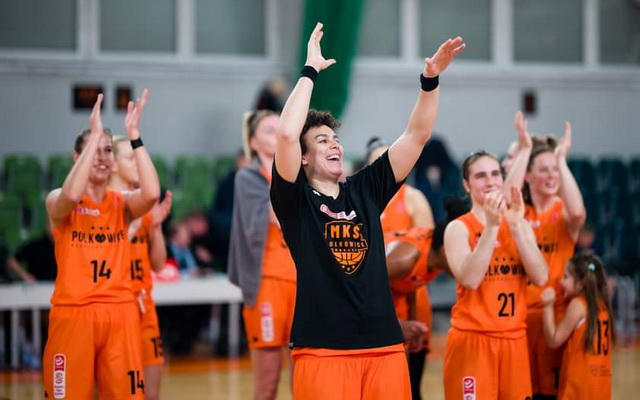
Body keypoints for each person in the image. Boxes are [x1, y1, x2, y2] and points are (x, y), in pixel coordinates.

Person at [270, 22, 464, 399]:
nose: (334, 145)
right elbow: (286, 134)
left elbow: (416, 136)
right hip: (323, 350)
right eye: (322, 140)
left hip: (384, 347)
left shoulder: (365, 190)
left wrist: (430, 81)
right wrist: (309, 71)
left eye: (336, 139)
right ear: (303, 158)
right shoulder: (294, 201)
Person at [42, 91, 160, 399]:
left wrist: (134, 136)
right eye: (94, 149)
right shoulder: (58, 200)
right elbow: (70, 195)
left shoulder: (121, 203)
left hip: (120, 312)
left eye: (108, 150)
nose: (103, 156)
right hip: (74, 314)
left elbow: (151, 194)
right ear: (77, 158)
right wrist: (95, 135)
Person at [442, 150, 548, 400]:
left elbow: (541, 277)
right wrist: (491, 228)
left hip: (514, 340)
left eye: (495, 174)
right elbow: (470, 279)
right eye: (480, 176)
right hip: (474, 340)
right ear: (467, 185)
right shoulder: (458, 228)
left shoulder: (519, 224)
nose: (490, 181)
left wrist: (515, 227)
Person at [506, 113, 586, 399]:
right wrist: (525, 150)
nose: (551, 176)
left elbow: (578, 212)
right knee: (523, 392)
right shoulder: (520, 213)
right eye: (544, 170)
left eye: (555, 170)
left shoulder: (562, 212)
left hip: (555, 314)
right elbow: (505, 198)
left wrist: (561, 160)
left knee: (551, 394)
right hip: (520, 318)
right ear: (528, 176)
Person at [228, 109, 297, 400]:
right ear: (254, 143)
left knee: (304, 380)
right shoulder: (247, 178)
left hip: (303, 283)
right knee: (267, 383)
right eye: (270, 130)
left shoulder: (300, 172)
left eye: (281, 127)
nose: (279, 133)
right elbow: (275, 216)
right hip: (267, 282)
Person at [366, 137, 434, 399]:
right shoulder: (360, 199)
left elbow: (426, 254)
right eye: (378, 161)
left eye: (390, 159)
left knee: (411, 383)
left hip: (411, 293)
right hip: (374, 295)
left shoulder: (413, 198)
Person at [109, 135, 172, 400]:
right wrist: (134, 227)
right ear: (112, 163)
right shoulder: (105, 204)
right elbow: (107, 256)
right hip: (114, 309)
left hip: (144, 306)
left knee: (151, 393)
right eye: (130, 157)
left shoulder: (144, 204)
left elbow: (158, 263)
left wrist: (155, 227)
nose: (138, 163)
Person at [541, 253, 615, 400]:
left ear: (581, 284)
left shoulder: (578, 304)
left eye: (566, 277)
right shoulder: (602, 303)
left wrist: (548, 306)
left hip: (579, 385)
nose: (561, 281)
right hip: (600, 383)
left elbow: (553, 340)